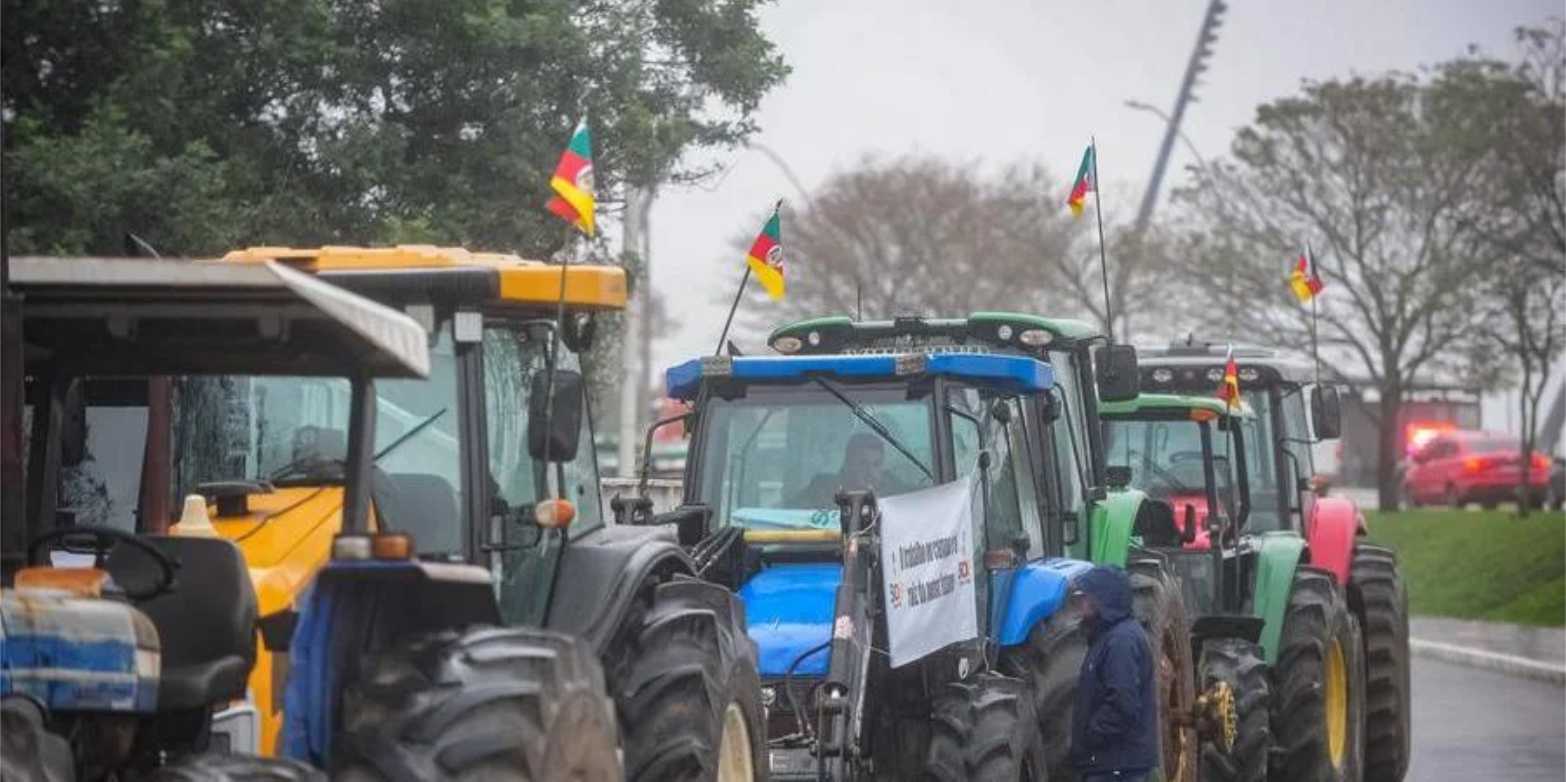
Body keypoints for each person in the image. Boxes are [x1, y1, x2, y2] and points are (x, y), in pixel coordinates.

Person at [1069, 565, 1159, 782]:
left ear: (1102, 599)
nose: (1079, 603)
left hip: (1118, 766)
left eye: (1085, 596)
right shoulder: (1107, 637)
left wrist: (1091, 735)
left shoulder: (1121, 641)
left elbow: (1123, 703)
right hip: (1110, 764)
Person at [790, 432, 910, 507]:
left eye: (876, 464)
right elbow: (790, 513)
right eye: (862, 464)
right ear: (848, 465)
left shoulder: (897, 492)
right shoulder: (822, 490)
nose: (870, 473)